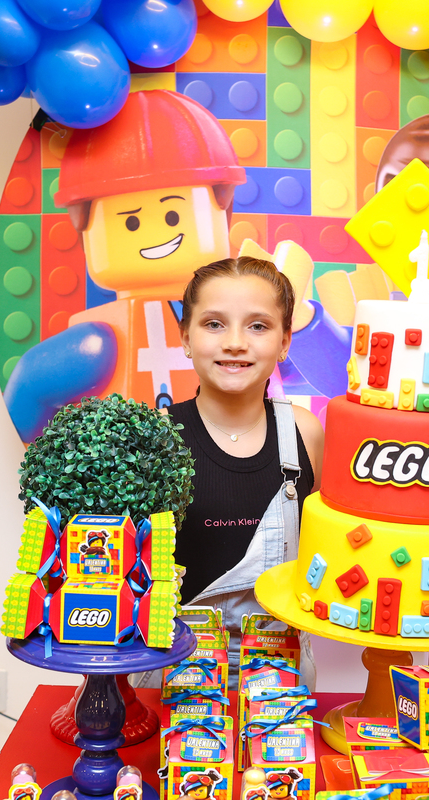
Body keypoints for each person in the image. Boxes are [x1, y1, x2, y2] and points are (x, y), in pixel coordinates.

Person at [167, 256, 324, 688]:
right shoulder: (155, 438)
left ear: (284, 341)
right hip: (175, 675)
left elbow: (318, 554)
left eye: (258, 326)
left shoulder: (305, 433)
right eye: (214, 324)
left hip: (281, 683)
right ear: (186, 337)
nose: (235, 342)